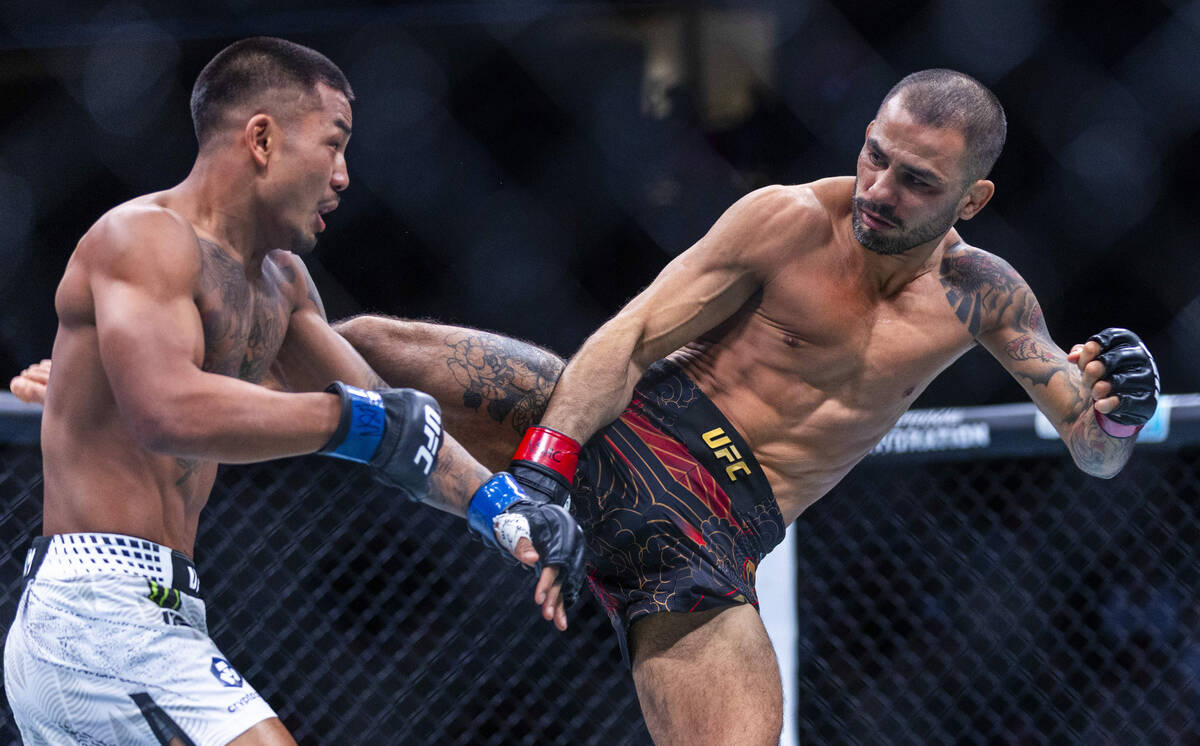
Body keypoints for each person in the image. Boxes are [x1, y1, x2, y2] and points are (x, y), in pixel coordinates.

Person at [13, 69, 1160, 745]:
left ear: (974, 195)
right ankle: (112, 374)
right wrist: (549, 474)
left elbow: (1090, 446)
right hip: (630, 426)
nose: (877, 189)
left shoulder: (987, 297)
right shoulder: (783, 218)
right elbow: (629, 333)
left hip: (710, 538)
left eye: (915, 181)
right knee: (368, 345)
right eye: (874, 156)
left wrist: (1116, 417)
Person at [2, 37, 585, 746]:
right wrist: (346, 421)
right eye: (333, 145)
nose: (343, 176)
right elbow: (167, 411)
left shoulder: (280, 284)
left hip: (156, 606)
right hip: (100, 608)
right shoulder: (142, 239)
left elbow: (399, 429)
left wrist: (507, 511)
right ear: (261, 137)